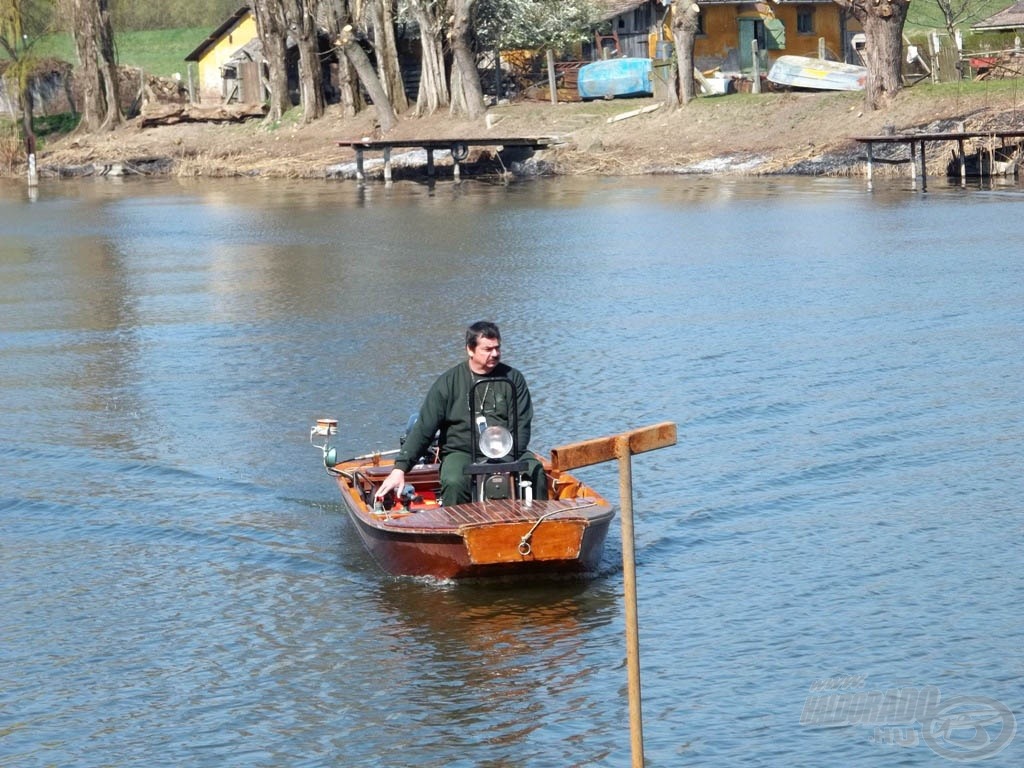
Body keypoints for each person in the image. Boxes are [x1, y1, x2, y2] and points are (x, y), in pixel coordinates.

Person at [375, 321, 547, 507]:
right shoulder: (448, 383)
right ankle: (456, 529)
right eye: (488, 349)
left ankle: (542, 523)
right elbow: (424, 428)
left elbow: (522, 426)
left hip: (508, 450)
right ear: (470, 350)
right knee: (454, 480)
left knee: (535, 469)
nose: (495, 354)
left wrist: (505, 462)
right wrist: (400, 468)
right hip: (462, 451)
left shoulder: (514, 379)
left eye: (497, 348)